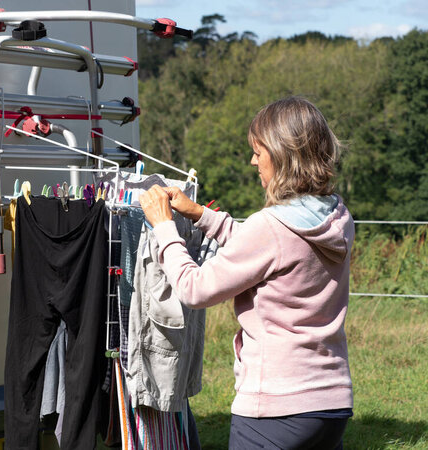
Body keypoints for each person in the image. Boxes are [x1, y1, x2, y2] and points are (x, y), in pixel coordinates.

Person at [139, 96, 354, 449]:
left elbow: (195, 290)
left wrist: (165, 229)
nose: (253, 160)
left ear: (284, 153)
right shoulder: (337, 216)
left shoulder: (270, 227)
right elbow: (271, 254)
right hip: (329, 405)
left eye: (259, 150)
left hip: (276, 409)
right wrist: (200, 214)